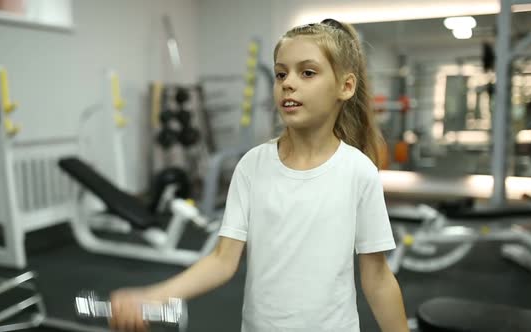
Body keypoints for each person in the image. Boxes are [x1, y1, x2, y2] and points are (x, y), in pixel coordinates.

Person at [110, 18, 409, 332]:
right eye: (282, 73)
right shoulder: (252, 165)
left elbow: (377, 278)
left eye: (307, 72)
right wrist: (155, 295)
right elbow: (223, 260)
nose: (288, 83)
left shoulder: (358, 171)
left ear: (345, 86)